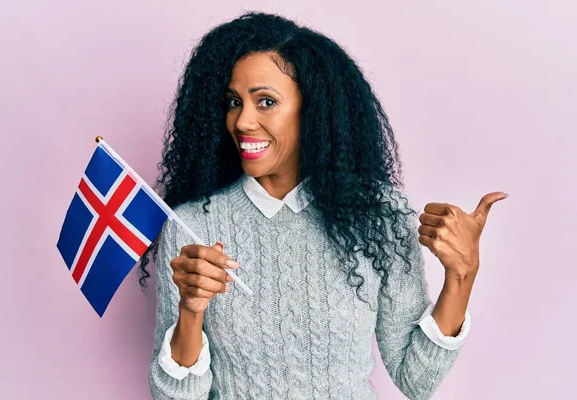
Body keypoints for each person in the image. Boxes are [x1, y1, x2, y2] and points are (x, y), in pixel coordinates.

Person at [139, 11, 505, 400]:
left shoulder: (377, 216)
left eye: (265, 101)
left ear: (312, 110)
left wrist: (462, 275)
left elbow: (417, 379)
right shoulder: (192, 226)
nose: (242, 121)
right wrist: (191, 313)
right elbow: (176, 397)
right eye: (233, 102)